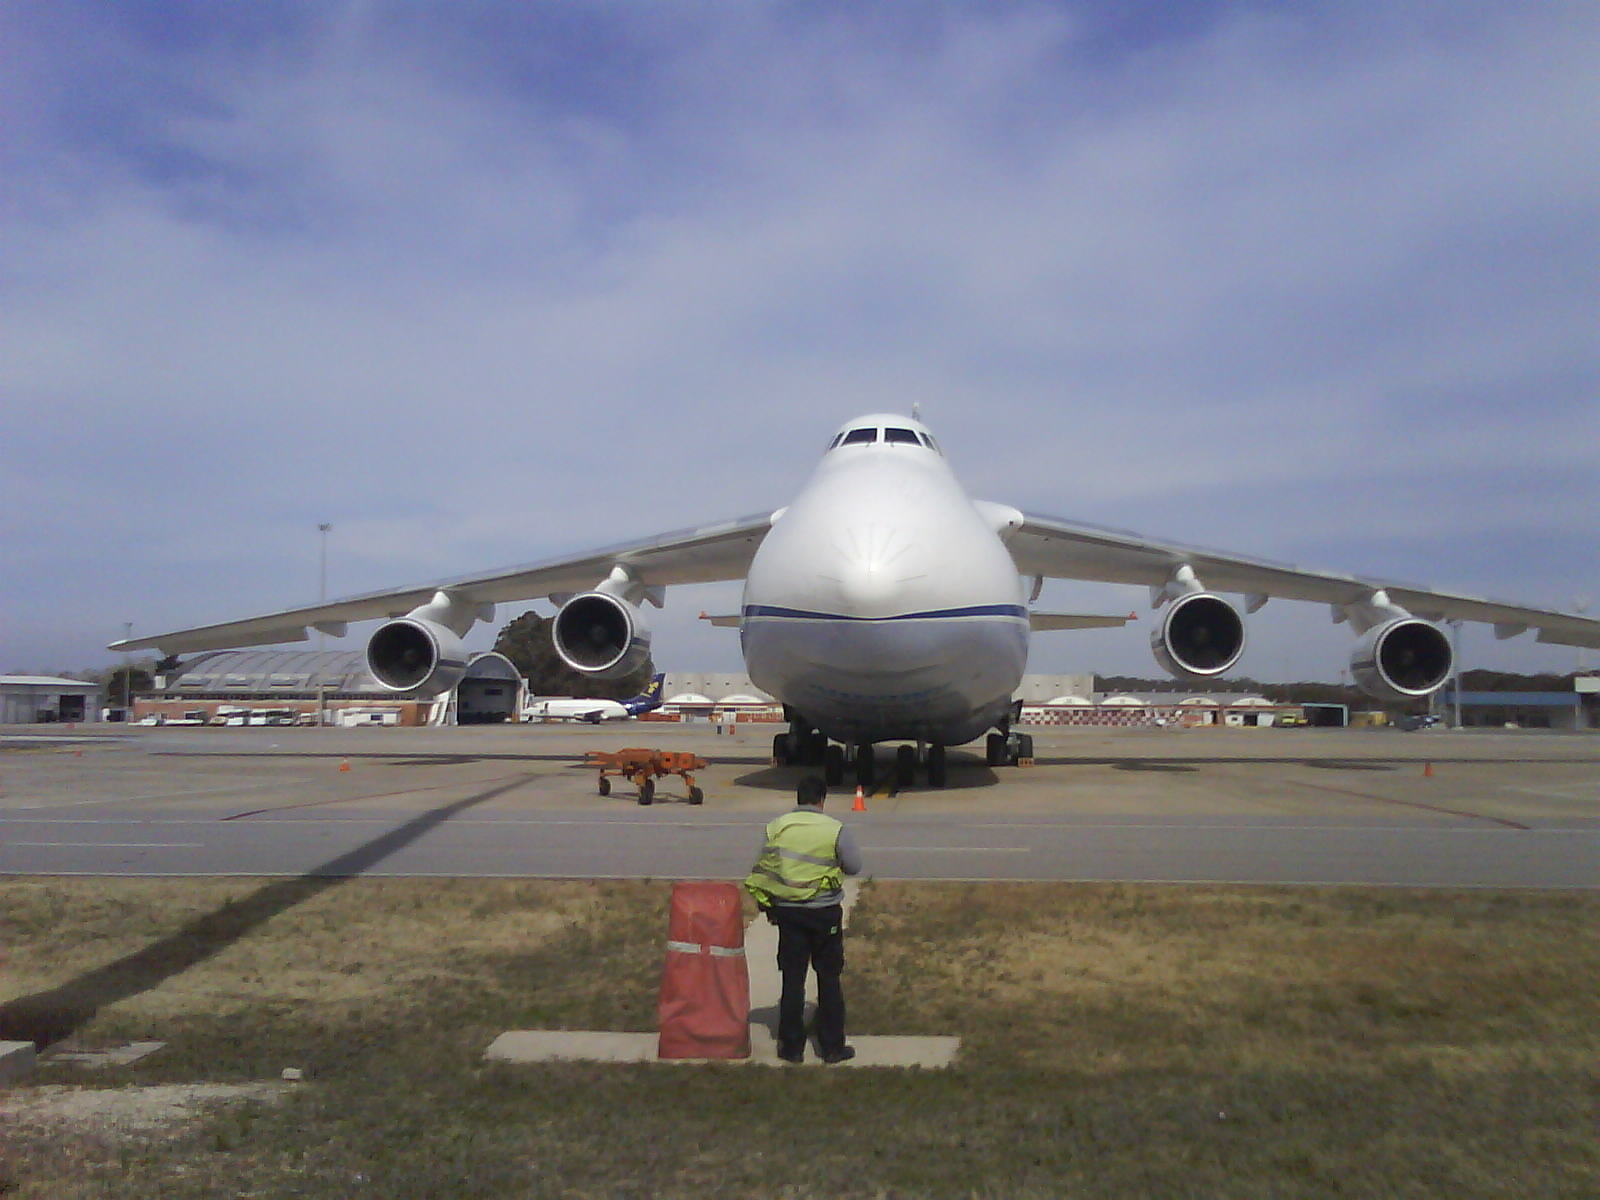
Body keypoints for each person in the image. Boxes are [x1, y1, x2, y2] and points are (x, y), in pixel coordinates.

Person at [743, 774, 864, 1063]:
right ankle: (832, 1047)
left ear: (798, 798)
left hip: (789, 912)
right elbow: (854, 866)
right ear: (822, 800)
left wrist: (770, 903)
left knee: (793, 978)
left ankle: (791, 1047)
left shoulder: (776, 827)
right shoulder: (834, 828)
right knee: (829, 977)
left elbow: (765, 865)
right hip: (824, 912)